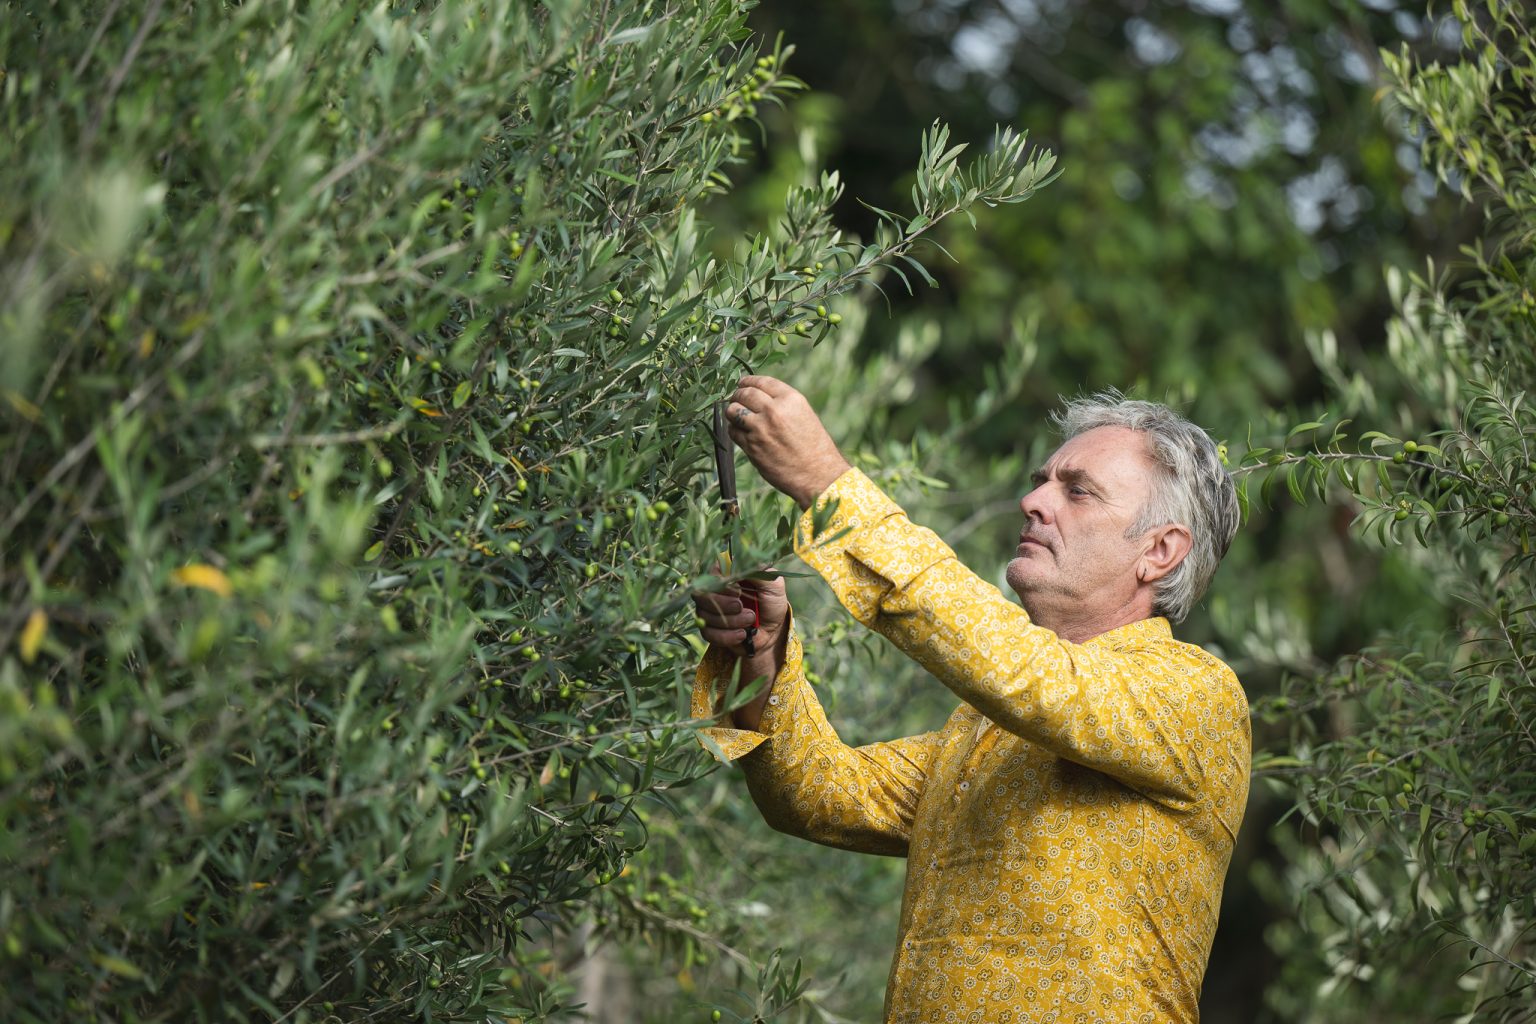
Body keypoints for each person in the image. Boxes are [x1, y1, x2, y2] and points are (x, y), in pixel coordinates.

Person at [690, 375, 1249, 1024]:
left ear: (1159, 550)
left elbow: (1017, 667)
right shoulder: (984, 733)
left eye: (1078, 491)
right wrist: (763, 650)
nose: (1033, 500)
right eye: (1043, 480)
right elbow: (814, 793)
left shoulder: (1199, 697)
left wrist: (828, 485)